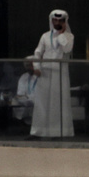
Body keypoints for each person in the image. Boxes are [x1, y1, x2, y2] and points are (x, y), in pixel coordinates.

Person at [31, 9, 75, 138]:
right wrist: (36, 67)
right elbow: (38, 52)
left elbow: (67, 48)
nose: (57, 22)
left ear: (64, 21)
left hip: (60, 73)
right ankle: (38, 132)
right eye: (55, 20)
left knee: (58, 102)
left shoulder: (69, 36)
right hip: (44, 73)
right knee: (42, 102)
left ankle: (58, 132)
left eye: (60, 20)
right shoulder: (45, 36)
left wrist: (61, 33)